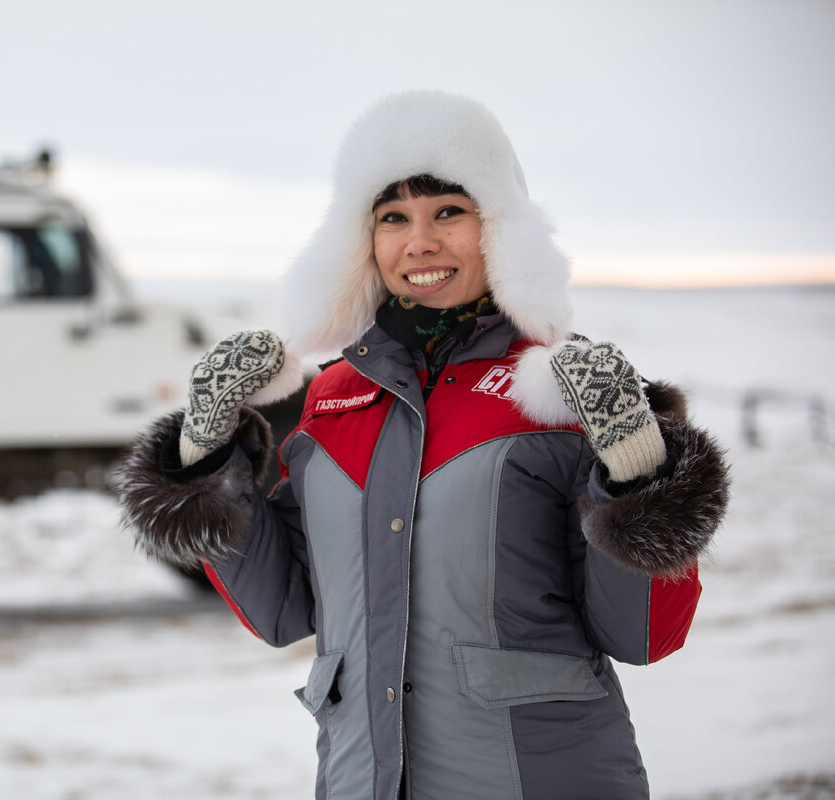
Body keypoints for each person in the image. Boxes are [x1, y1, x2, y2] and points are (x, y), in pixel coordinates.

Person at [114, 91, 730, 800]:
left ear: (499, 226)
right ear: (363, 240)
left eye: (448, 212)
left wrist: (637, 475)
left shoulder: (567, 388)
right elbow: (281, 608)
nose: (419, 242)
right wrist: (205, 453)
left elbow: (643, 636)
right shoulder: (334, 397)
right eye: (392, 218)